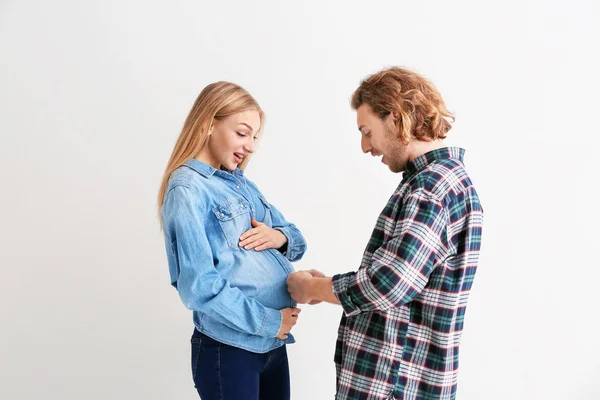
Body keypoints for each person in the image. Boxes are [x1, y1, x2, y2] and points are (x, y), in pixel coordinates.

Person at [287, 67, 484, 400]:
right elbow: (403, 283)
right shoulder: (443, 181)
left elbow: (389, 283)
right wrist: (327, 289)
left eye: (367, 131)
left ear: (396, 117)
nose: (365, 146)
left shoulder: (430, 188)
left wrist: (311, 288)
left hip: (395, 386)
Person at [158, 81, 306, 400]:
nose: (251, 146)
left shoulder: (239, 183)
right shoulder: (187, 190)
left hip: (271, 346)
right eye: (242, 133)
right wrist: (270, 321)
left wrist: (277, 236)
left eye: (254, 136)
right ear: (209, 124)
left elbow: (297, 241)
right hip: (230, 349)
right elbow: (198, 285)